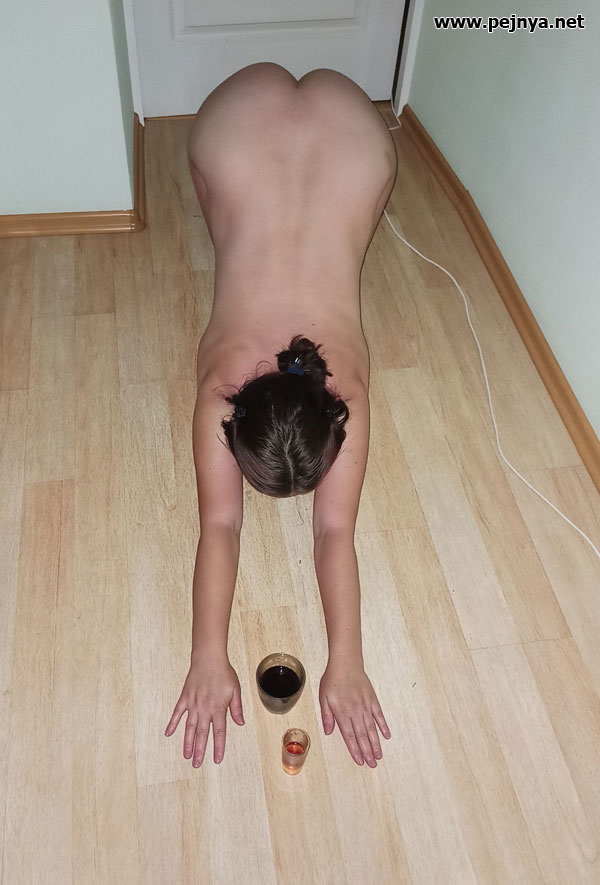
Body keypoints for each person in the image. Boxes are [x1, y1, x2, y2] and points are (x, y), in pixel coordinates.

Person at [164, 63, 398, 769]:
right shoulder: (234, 387)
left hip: (333, 129)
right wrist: (207, 654)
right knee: (236, 213)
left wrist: (346, 660)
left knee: (237, 218)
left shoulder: (342, 391)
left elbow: (233, 525)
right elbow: (319, 530)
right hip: (295, 130)